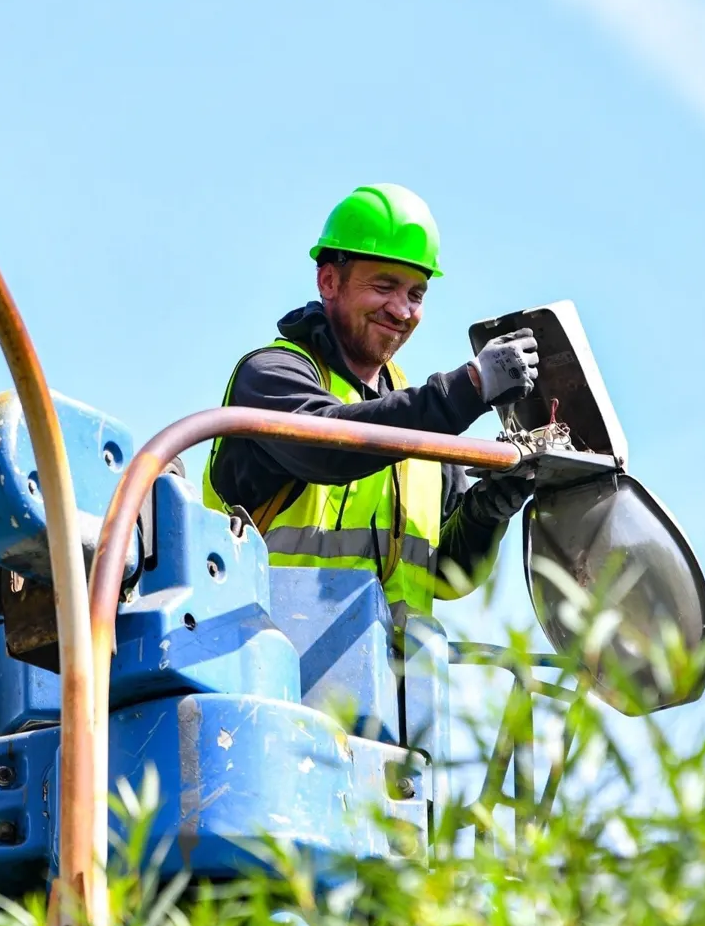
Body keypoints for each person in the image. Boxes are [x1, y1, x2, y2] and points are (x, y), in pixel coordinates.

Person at [201, 183, 542, 624]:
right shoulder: (271, 376)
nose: (401, 310)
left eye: (416, 294)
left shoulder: (418, 420)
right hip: (269, 668)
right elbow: (329, 447)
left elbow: (445, 578)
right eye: (385, 286)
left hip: (399, 685)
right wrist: (470, 388)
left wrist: (486, 512)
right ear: (328, 280)